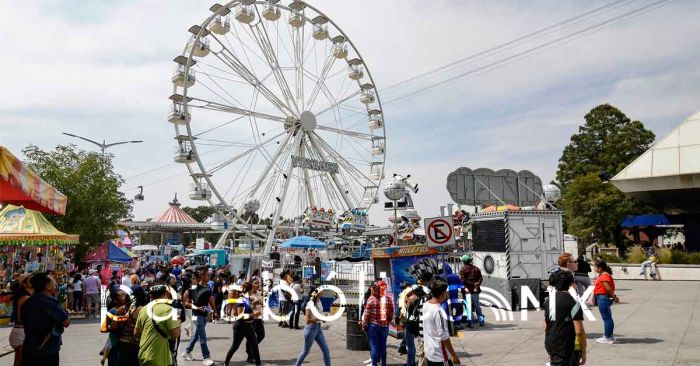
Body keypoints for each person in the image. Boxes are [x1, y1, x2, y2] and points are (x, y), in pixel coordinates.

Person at [21, 272, 70, 366]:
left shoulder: (28, 302)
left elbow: (21, 319)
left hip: (29, 348)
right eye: (53, 281)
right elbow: (65, 322)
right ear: (47, 286)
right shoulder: (49, 301)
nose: (55, 283)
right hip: (47, 349)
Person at [544, 270, 587, 366]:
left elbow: (546, 325)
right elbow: (579, 331)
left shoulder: (548, 301)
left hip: (551, 343)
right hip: (567, 346)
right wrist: (583, 352)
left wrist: (550, 348)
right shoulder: (574, 303)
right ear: (571, 284)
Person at [135, 282, 181, 366]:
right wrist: (178, 321)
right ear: (167, 294)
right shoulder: (171, 310)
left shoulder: (143, 309)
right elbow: (175, 334)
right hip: (159, 357)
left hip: (143, 354)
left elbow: (136, 333)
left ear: (151, 296)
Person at [421, 279, 460, 366]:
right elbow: (444, 336)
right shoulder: (439, 311)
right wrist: (454, 356)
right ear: (442, 294)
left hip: (430, 351)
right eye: (445, 292)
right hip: (440, 355)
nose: (446, 294)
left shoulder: (426, 304)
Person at [183, 266, 216, 366]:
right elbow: (186, 304)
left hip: (205, 315)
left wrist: (215, 310)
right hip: (196, 315)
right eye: (206, 274)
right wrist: (197, 308)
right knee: (202, 336)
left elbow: (210, 300)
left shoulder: (208, 287)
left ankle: (187, 351)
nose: (208, 276)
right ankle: (206, 357)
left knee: (197, 334)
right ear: (201, 276)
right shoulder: (192, 289)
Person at [223, 283, 261, 366]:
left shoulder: (247, 298)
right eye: (252, 289)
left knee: (254, 345)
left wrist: (254, 305)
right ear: (250, 290)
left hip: (249, 326)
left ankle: (258, 364)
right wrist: (254, 314)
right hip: (240, 327)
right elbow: (241, 315)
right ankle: (226, 363)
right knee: (235, 346)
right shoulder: (241, 299)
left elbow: (248, 308)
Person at [361, 281, 394, 366]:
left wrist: (364, 325)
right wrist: (387, 321)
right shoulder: (388, 299)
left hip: (373, 326)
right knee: (383, 347)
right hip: (385, 326)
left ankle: (374, 364)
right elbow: (391, 313)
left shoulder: (371, 299)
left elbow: (367, 314)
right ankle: (383, 364)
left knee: (374, 346)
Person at [294, 293, 331, 366]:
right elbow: (307, 320)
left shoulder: (319, 301)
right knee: (305, 351)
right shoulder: (310, 304)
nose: (323, 291)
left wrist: (324, 318)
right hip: (310, 329)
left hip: (318, 328)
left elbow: (319, 316)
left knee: (326, 350)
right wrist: (320, 318)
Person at [115, 285, 147, 366]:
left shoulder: (121, 309)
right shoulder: (142, 310)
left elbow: (114, 326)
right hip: (138, 344)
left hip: (123, 343)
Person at [594, 260, 619, 344]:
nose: (594, 268)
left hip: (603, 297)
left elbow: (608, 288)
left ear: (600, 268)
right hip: (603, 297)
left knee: (606, 318)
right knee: (608, 317)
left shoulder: (604, 276)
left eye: (595, 267)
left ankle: (608, 337)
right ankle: (609, 336)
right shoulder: (604, 275)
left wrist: (614, 297)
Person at [10, 274, 33, 366]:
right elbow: (20, 318)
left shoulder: (24, 296)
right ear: (24, 284)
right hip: (21, 332)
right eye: (31, 280)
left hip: (18, 332)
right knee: (21, 362)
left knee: (18, 361)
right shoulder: (25, 297)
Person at [459, 254, 484, 327]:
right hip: (475, 290)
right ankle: (481, 320)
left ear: (464, 262)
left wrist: (471, 284)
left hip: (467, 291)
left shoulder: (463, 269)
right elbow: (481, 278)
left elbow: (463, 280)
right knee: (477, 306)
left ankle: (470, 323)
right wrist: (477, 284)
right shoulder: (476, 268)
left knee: (468, 307)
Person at [246, 278, 266, 363]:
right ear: (251, 284)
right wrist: (254, 304)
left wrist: (261, 303)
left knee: (261, 335)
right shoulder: (247, 295)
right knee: (251, 338)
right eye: (255, 283)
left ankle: (250, 349)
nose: (257, 285)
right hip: (251, 318)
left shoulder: (259, 293)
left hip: (258, 318)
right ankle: (250, 355)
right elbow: (246, 308)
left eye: (258, 283)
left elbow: (261, 304)